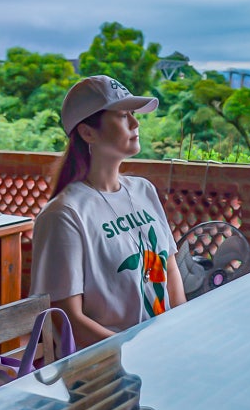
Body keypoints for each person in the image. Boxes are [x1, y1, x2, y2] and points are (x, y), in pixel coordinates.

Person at [30, 75, 185, 348]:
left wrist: (182, 329)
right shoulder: (65, 214)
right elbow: (65, 318)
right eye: (123, 115)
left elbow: (170, 267)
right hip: (106, 373)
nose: (135, 123)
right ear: (88, 132)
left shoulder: (144, 191)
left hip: (165, 353)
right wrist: (137, 353)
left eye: (134, 115)